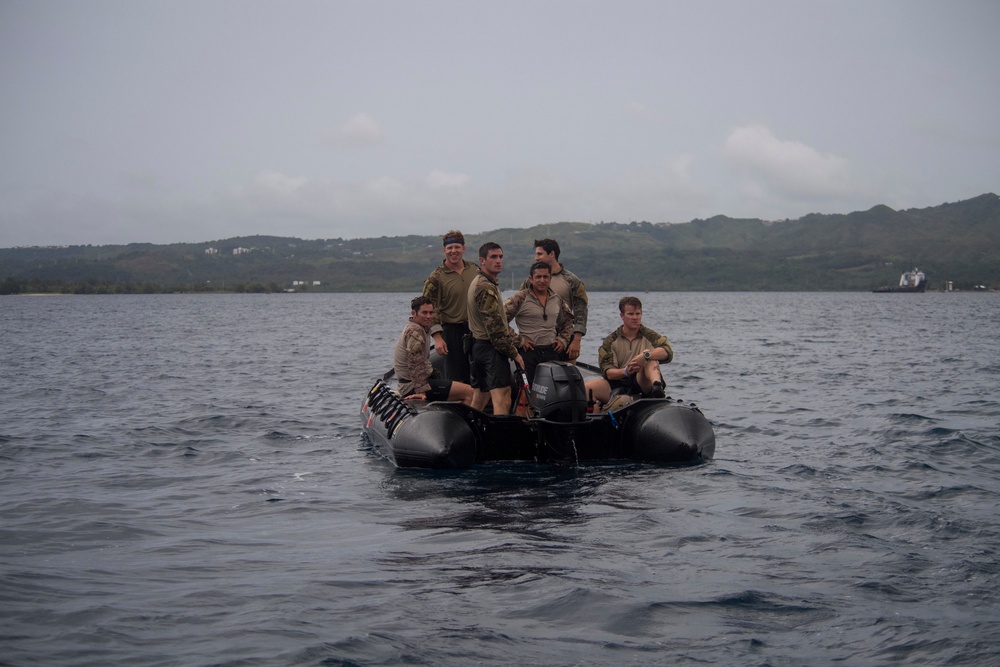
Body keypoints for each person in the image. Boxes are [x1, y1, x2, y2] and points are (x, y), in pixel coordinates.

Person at [467, 242, 525, 414]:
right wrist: (515, 354)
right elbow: (496, 331)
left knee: (480, 398)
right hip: (490, 349)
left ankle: (470, 432)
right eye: (493, 257)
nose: (498, 260)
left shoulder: (481, 282)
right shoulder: (485, 287)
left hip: (478, 347)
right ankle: (501, 439)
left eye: (500, 256)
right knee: (503, 399)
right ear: (482, 261)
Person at [584, 295, 672, 405]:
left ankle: (657, 388)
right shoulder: (610, 341)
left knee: (648, 356)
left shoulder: (650, 335)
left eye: (638, 314)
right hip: (619, 383)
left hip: (642, 382)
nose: (635, 318)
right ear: (622, 316)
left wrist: (645, 356)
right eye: (630, 314)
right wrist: (626, 371)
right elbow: (608, 372)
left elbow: (667, 351)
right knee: (587, 388)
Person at [393, 295, 473, 405]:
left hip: (411, 383)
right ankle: (467, 421)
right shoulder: (415, 331)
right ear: (414, 313)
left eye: (431, 313)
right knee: (469, 392)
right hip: (412, 386)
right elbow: (415, 363)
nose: (428, 316)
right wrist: (421, 391)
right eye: (424, 313)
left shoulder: (419, 328)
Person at [504, 261, 574, 384]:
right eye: (538, 277)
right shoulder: (520, 298)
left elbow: (568, 320)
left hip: (551, 352)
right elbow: (500, 320)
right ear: (531, 279)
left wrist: (563, 339)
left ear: (550, 278)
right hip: (528, 352)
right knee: (527, 394)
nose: (542, 280)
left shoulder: (557, 299)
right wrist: (518, 340)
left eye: (545, 277)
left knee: (552, 390)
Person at [422, 230, 478, 383]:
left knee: (480, 374)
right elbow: (427, 309)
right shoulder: (436, 277)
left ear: (463, 249)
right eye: (450, 248)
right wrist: (437, 337)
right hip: (451, 332)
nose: (454, 251)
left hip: (476, 330)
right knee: (456, 378)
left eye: (457, 247)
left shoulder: (475, 270)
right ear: (444, 250)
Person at [526, 238, 588, 363]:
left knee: (567, 379)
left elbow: (581, 312)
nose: (536, 258)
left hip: (564, 339)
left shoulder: (571, 280)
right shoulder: (529, 282)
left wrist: (577, 340)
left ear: (552, 254)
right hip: (538, 341)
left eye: (539, 254)